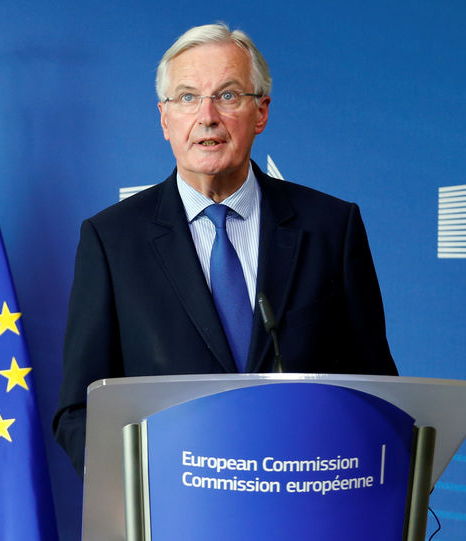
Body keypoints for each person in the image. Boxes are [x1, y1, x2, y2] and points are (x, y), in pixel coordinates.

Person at [52, 23, 398, 476]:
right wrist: (143, 490)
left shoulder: (332, 228)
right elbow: (79, 411)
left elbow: (377, 392)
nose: (208, 115)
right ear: (165, 119)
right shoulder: (111, 240)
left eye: (229, 95)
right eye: (188, 97)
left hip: (304, 503)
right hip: (175, 512)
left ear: (261, 113)